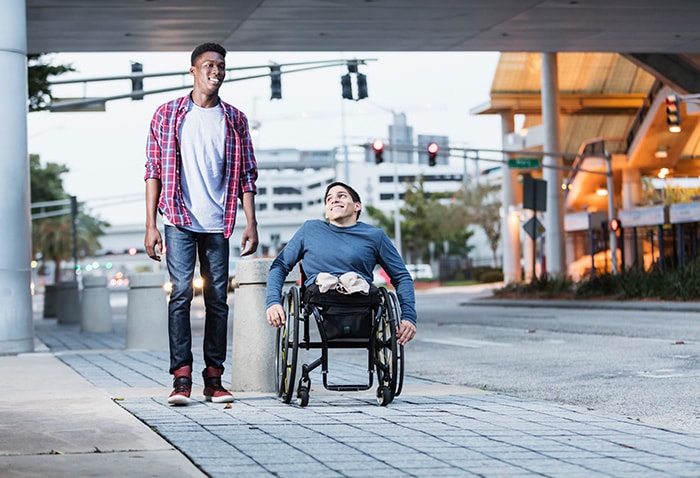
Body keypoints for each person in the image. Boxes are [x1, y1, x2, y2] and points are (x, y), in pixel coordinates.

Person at [144, 42, 259, 406]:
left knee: (217, 300)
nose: (216, 71)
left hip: (218, 221)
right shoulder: (167, 115)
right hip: (177, 217)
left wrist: (251, 223)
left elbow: (247, 177)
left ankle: (214, 378)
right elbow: (153, 171)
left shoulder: (235, 119)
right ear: (193, 70)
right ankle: (181, 378)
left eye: (221, 66)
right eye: (209, 65)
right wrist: (150, 225)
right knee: (180, 293)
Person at [265, 182, 417, 345]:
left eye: (341, 196)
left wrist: (408, 317)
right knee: (324, 281)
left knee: (357, 282)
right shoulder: (310, 229)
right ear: (326, 210)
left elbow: (401, 276)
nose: (334, 200)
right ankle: (335, 281)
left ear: (357, 206)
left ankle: (349, 281)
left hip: (360, 293)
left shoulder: (375, 236)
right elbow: (279, 265)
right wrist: (273, 302)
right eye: (329, 199)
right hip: (319, 291)